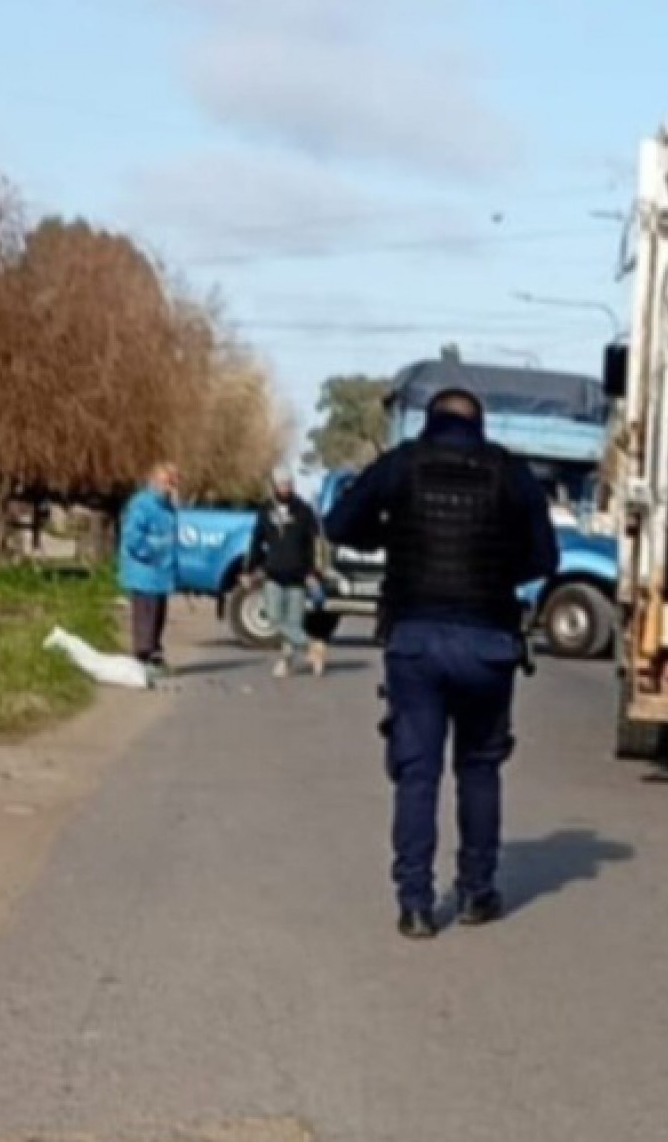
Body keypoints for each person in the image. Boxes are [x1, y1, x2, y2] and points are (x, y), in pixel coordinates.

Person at [325, 387, 558, 940]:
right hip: (487, 642)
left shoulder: (401, 465)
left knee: (417, 775)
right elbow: (545, 557)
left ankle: (416, 905)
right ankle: (478, 893)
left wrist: (390, 534)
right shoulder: (509, 472)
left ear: (428, 422)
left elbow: (337, 525)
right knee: (479, 770)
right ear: (481, 424)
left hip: (415, 640)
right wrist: (500, 566)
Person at [247, 468, 325, 678]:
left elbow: (315, 544)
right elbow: (256, 541)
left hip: (299, 576)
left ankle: (286, 662)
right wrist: (251, 569)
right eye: (281, 484)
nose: (285, 488)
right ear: (274, 486)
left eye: (288, 484)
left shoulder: (304, 511)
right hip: (273, 574)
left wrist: (313, 573)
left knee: (294, 622)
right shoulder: (265, 510)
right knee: (273, 618)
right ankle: (312, 645)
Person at [117, 463, 180, 677]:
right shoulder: (142, 505)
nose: (171, 486)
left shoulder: (168, 507)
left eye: (174, 481)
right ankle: (142, 658)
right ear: (154, 481)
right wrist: (151, 554)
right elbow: (133, 538)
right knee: (146, 617)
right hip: (144, 572)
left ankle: (155, 655)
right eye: (167, 481)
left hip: (160, 574)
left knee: (159, 616)